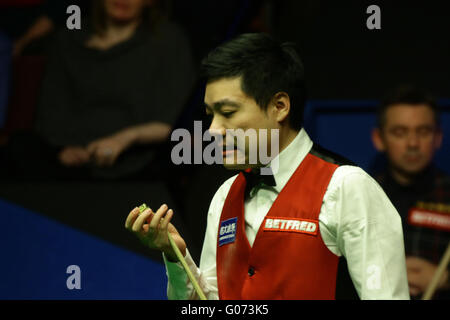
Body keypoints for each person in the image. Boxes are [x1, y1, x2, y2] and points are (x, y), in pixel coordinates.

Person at [125, 33, 410, 299]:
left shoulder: (348, 187)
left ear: (280, 107)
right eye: (210, 115)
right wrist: (175, 255)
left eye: (227, 113)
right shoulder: (226, 195)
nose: (213, 131)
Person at [2, 0, 195, 181]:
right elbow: (51, 106)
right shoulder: (69, 38)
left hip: (140, 157)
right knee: (19, 149)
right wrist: (64, 148)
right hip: (68, 154)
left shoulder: (168, 39)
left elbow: (177, 118)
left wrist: (124, 139)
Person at [371, 85, 450, 299]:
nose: (413, 143)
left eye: (423, 132)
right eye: (400, 132)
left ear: (438, 137)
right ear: (379, 139)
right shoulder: (360, 193)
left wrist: (444, 279)